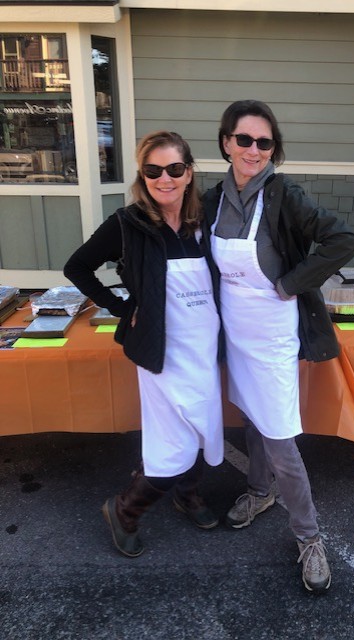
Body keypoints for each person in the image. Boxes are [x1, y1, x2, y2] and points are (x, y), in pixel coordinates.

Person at [202, 100, 354, 593]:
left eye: (263, 142)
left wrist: (291, 283)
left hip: (271, 329)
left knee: (279, 434)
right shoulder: (210, 200)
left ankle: (309, 535)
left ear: (274, 149)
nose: (253, 149)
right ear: (226, 141)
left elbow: (341, 240)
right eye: (243, 139)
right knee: (251, 413)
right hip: (234, 327)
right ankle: (258, 490)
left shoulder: (285, 194)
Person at [64, 130, 224, 558]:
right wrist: (119, 308)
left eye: (174, 169)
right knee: (172, 439)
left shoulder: (204, 220)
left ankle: (186, 494)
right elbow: (76, 266)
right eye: (153, 171)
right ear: (143, 175)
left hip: (204, 347)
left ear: (189, 173)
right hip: (160, 351)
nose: (164, 179)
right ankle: (124, 511)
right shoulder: (126, 223)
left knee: (202, 426)